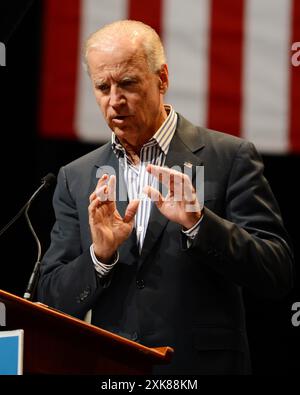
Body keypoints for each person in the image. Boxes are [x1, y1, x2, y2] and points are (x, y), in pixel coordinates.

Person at [37, 20, 294, 374]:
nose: (114, 101)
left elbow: (275, 271)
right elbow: (52, 299)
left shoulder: (228, 157)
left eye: (127, 83)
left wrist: (199, 224)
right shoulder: (77, 177)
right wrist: (100, 257)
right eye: (102, 86)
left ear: (162, 79)